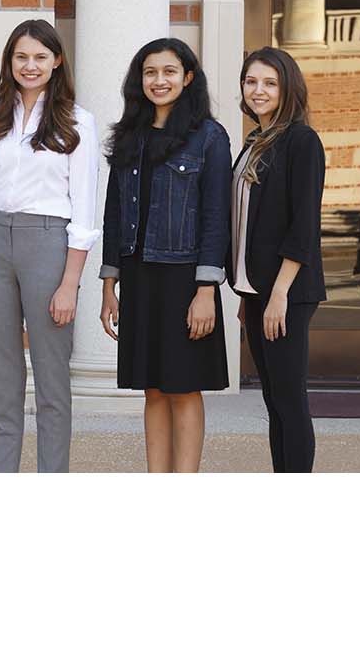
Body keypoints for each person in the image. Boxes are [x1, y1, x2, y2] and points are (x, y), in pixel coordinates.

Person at [0, 19, 99, 473]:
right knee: (3, 377)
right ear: (10, 62)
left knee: (52, 378)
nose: (30, 65)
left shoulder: (78, 122)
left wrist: (70, 284)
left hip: (49, 246)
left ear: (56, 61)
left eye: (40, 57)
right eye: (22, 57)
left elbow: (85, 210)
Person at [97, 38, 231, 473]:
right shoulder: (130, 136)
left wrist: (206, 290)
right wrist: (109, 284)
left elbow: (216, 216)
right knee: (152, 388)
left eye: (169, 71)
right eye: (150, 72)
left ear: (187, 77)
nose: (159, 80)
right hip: (139, 276)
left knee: (184, 387)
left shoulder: (209, 137)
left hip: (185, 279)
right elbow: (114, 212)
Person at [228, 47, 327, 473]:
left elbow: (303, 226)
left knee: (289, 398)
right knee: (274, 401)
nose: (259, 90)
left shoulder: (301, 141)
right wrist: (246, 288)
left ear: (288, 88)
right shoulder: (255, 140)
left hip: (286, 293)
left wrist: (278, 294)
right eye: (251, 82)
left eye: (269, 82)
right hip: (257, 292)